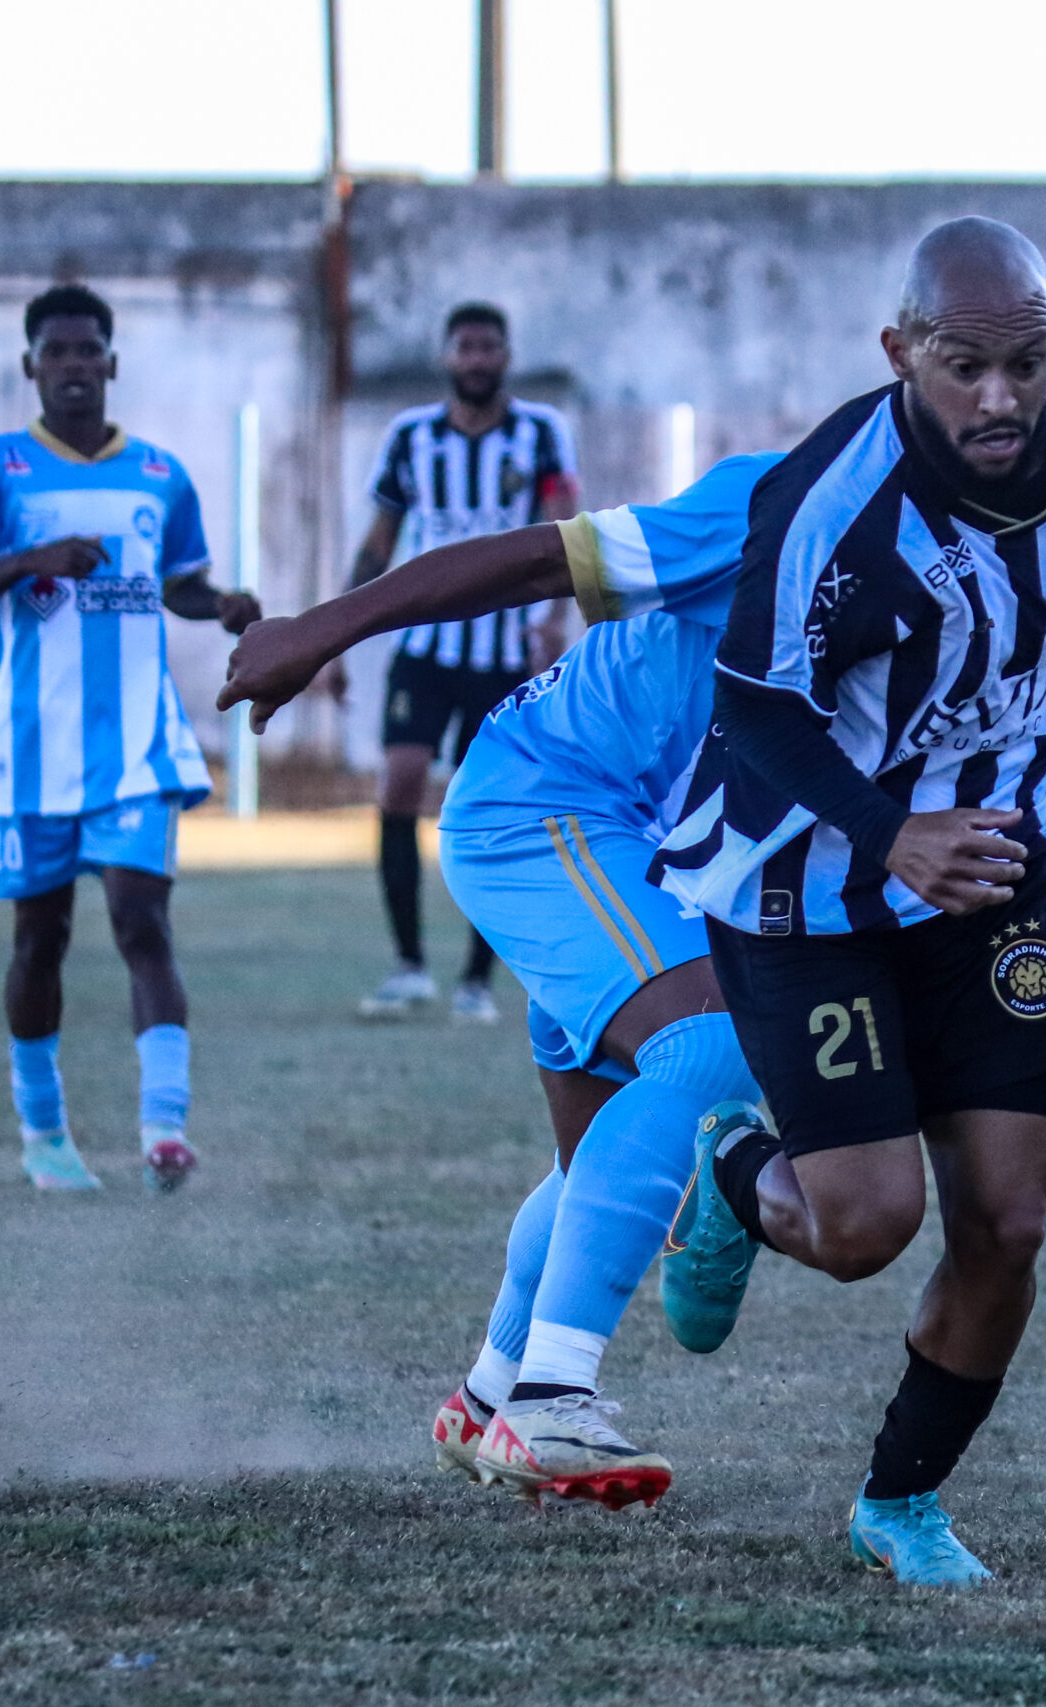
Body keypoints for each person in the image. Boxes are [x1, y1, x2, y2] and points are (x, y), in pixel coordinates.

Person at [653, 221, 1046, 1586]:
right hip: (808, 889)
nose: (1000, 398)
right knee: (864, 1227)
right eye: (966, 367)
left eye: (1026, 364)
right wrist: (890, 833)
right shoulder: (835, 501)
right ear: (903, 352)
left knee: (1008, 1218)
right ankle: (738, 1170)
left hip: (1001, 873)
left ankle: (901, 1501)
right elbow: (753, 703)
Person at [222, 453, 780, 1504]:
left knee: (611, 1153)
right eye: (979, 376)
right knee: (705, 1045)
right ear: (913, 369)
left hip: (655, 856)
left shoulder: (982, 560)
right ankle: (550, 1404)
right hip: (552, 809)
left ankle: (489, 1396)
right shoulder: (786, 498)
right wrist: (320, 629)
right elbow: (532, 562)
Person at [0, 284, 260, 1194]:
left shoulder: (158, 474)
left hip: (138, 749)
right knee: (40, 940)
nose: (74, 366)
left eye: (88, 351)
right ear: (30, 366)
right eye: (56, 352)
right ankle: (44, 1135)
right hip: (34, 750)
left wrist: (221, 604)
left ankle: (164, 1128)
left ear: (112, 364)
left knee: (142, 922)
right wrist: (30, 560)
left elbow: (180, 583)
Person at [348, 303, 581, 1023]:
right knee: (400, 782)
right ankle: (409, 965)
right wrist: (333, 631)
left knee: (492, 802)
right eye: (466, 347)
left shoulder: (540, 432)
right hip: (425, 648)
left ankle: (478, 980)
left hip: (505, 649)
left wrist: (553, 615)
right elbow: (380, 541)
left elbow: (568, 527)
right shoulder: (411, 436)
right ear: (446, 356)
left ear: (506, 354)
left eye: (489, 346)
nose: (477, 359)